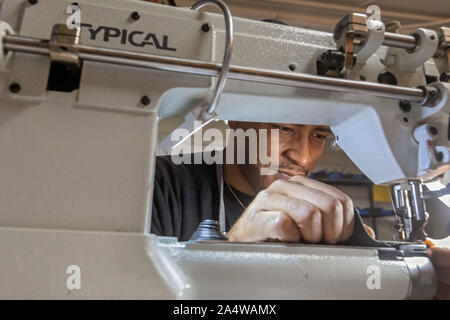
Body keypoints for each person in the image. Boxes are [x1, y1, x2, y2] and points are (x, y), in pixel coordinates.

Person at [151, 121, 449, 299]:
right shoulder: (157, 186)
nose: (302, 156)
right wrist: (231, 255)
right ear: (236, 119)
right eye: (284, 128)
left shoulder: (320, 212)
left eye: (319, 136)